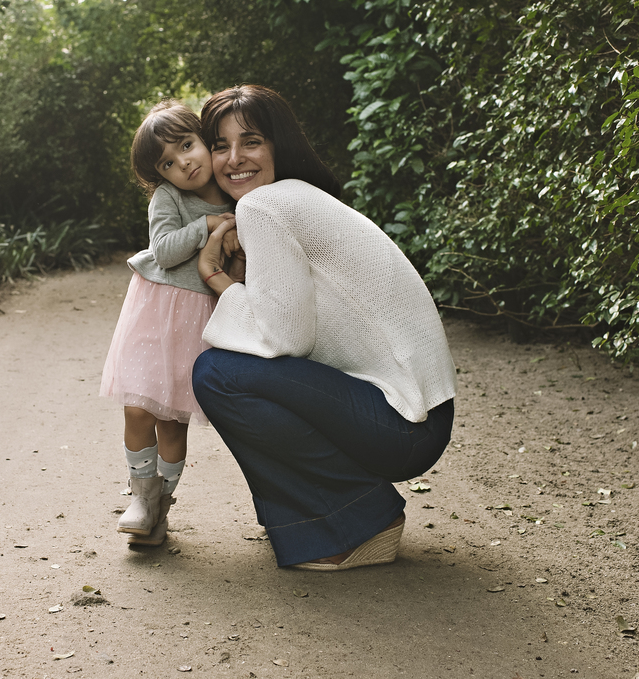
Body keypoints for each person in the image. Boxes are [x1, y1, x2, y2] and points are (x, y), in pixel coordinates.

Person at [192, 85, 457, 570]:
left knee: (217, 374)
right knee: (229, 369)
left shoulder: (262, 206)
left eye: (250, 141)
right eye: (219, 145)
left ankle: (357, 521)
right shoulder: (295, 197)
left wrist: (217, 280)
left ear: (279, 144)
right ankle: (319, 518)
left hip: (403, 424)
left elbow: (287, 339)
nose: (234, 159)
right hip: (419, 416)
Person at [100, 100, 236, 547]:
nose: (185, 163)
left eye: (188, 146)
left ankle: (161, 506)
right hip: (154, 312)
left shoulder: (236, 193)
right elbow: (164, 250)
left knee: (173, 420)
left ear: (204, 140)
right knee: (139, 406)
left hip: (197, 319)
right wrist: (208, 227)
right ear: (160, 174)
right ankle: (140, 498)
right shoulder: (170, 197)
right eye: (169, 163)